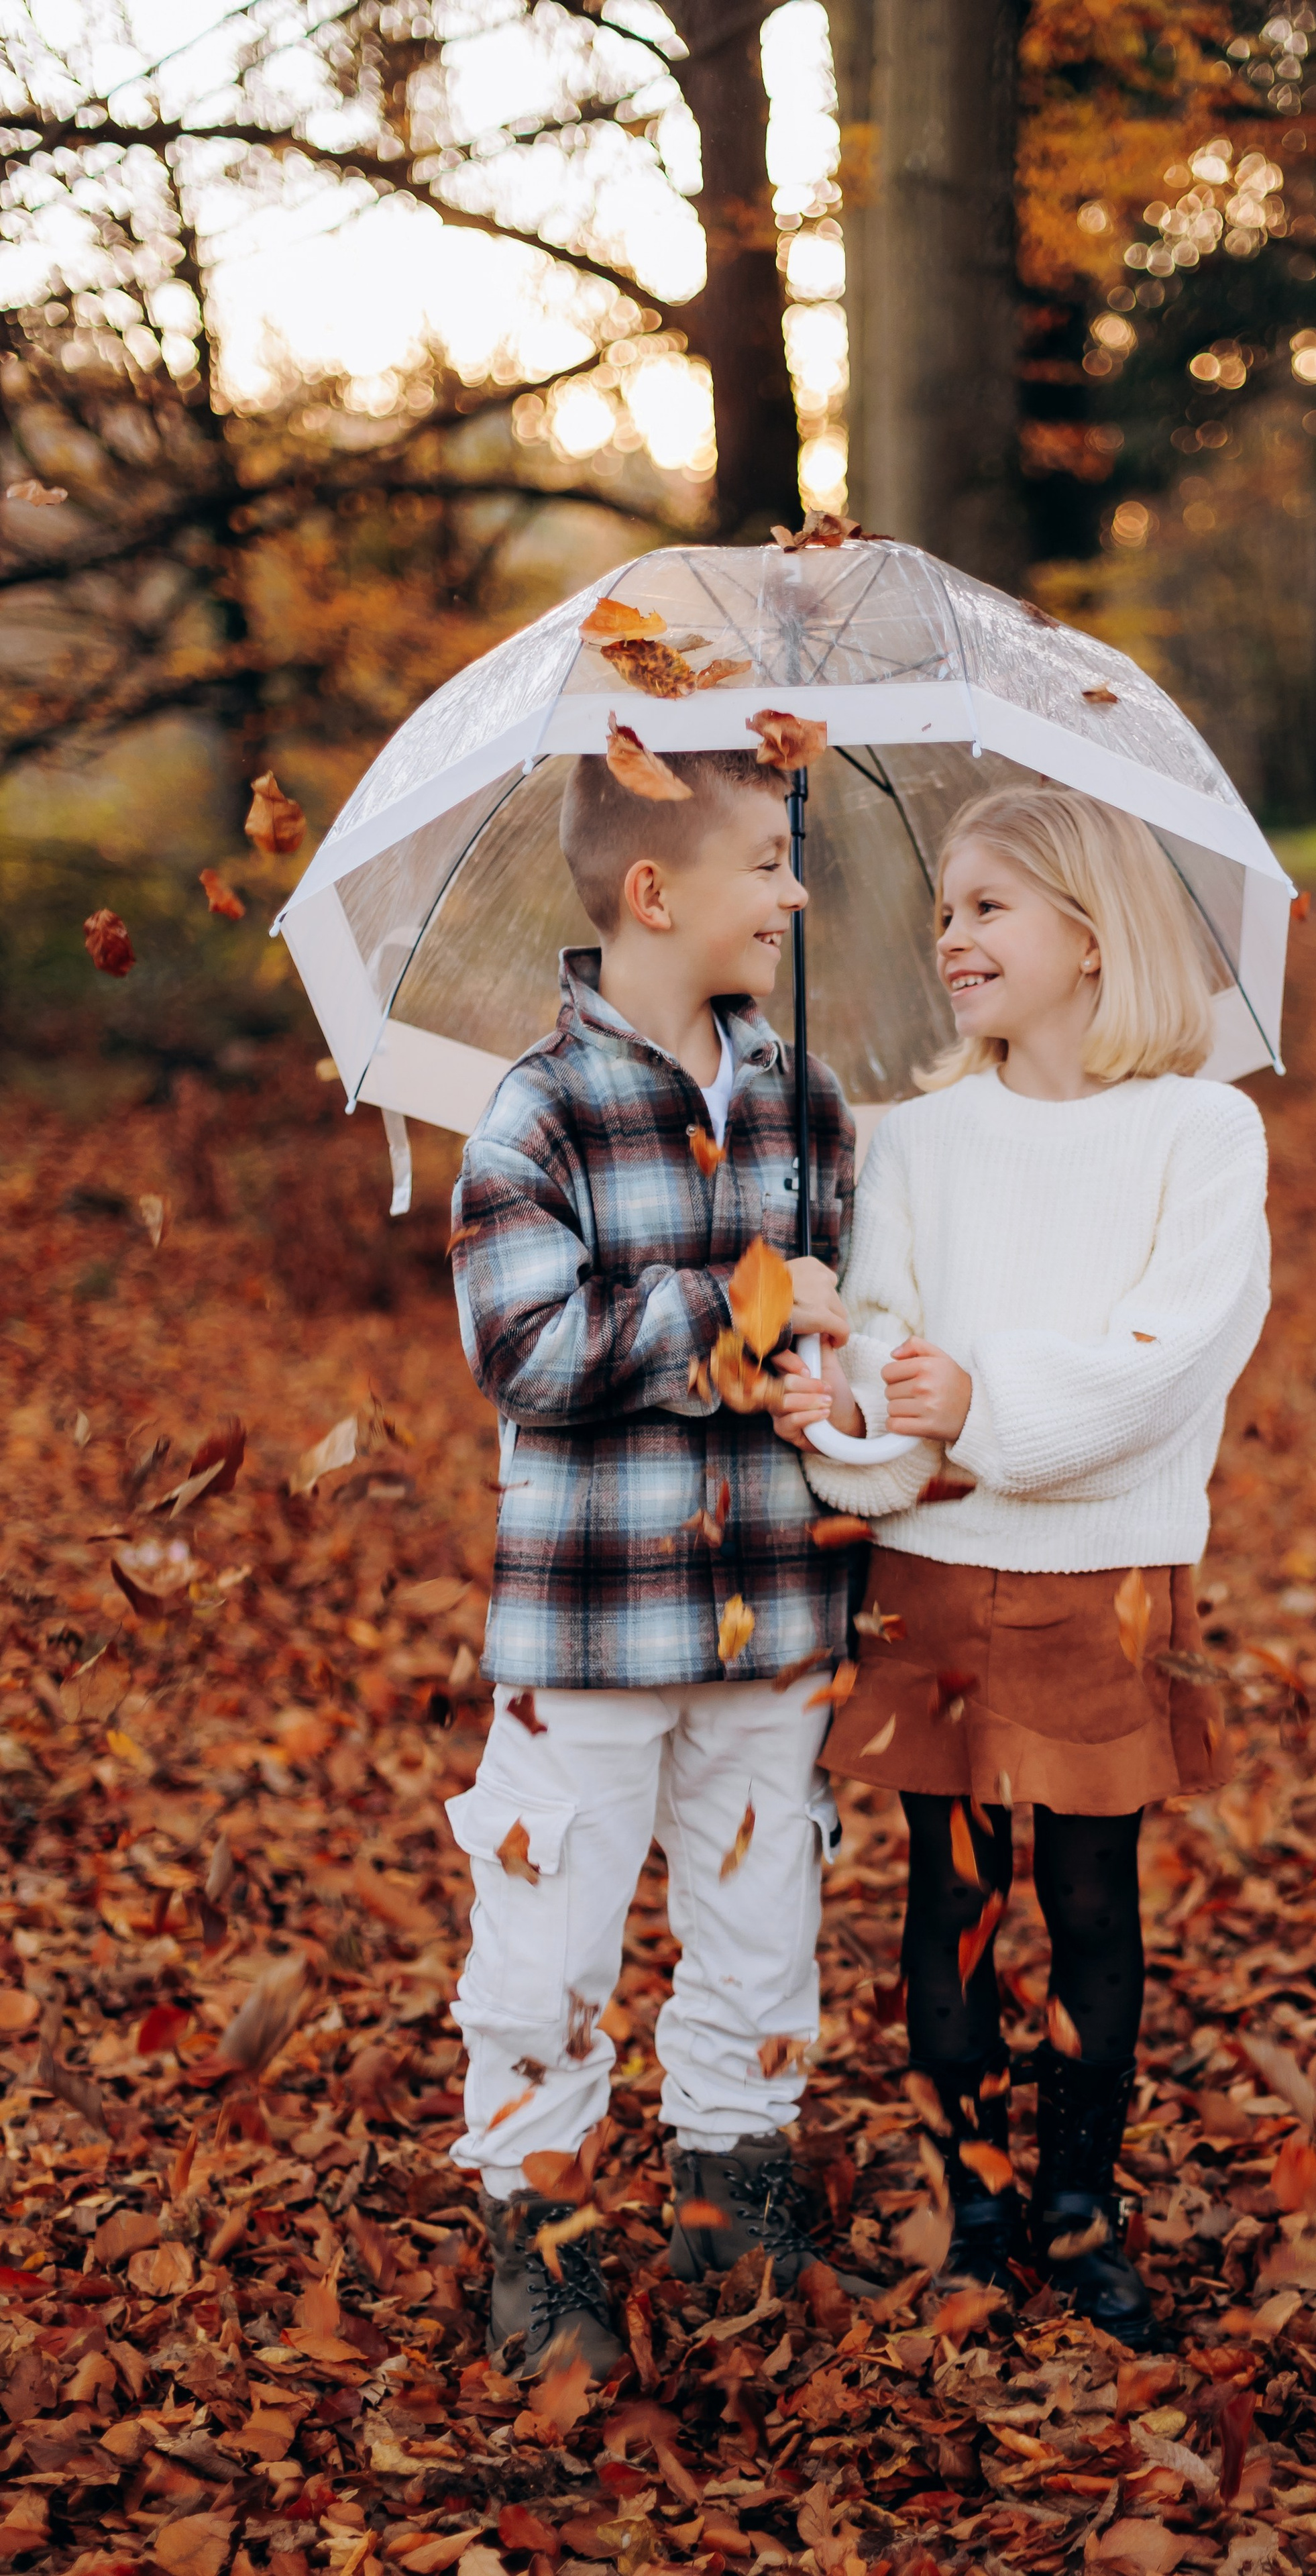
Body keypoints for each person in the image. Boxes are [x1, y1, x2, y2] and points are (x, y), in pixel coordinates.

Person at [773, 783, 1270, 2348]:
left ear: (1086, 929)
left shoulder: (1197, 1130)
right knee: (954, 1899)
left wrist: (991, 1401)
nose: (954, 937)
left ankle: (1080, 2204)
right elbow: (884, 1328)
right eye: (944, 915)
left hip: (1103, 1574)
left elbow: (1174, 1351)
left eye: (988, 907)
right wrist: (842, 1413)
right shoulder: (908, 1136)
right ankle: (977, 2203)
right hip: (938, 1565)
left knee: (1090, 1900)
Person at [446, 744, 870, 2382]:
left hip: (770, 1594)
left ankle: (732, 2187)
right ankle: (537, 2223)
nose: (792, 891)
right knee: (549, 1927)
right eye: (766, 862)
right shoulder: (535, 1107)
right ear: (652, 892)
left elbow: (835, 1322)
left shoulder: (805, 1101)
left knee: (761, 1905)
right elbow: (528, 1352)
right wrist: (739, 1303)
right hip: (591, 1617)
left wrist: (827, 1377)